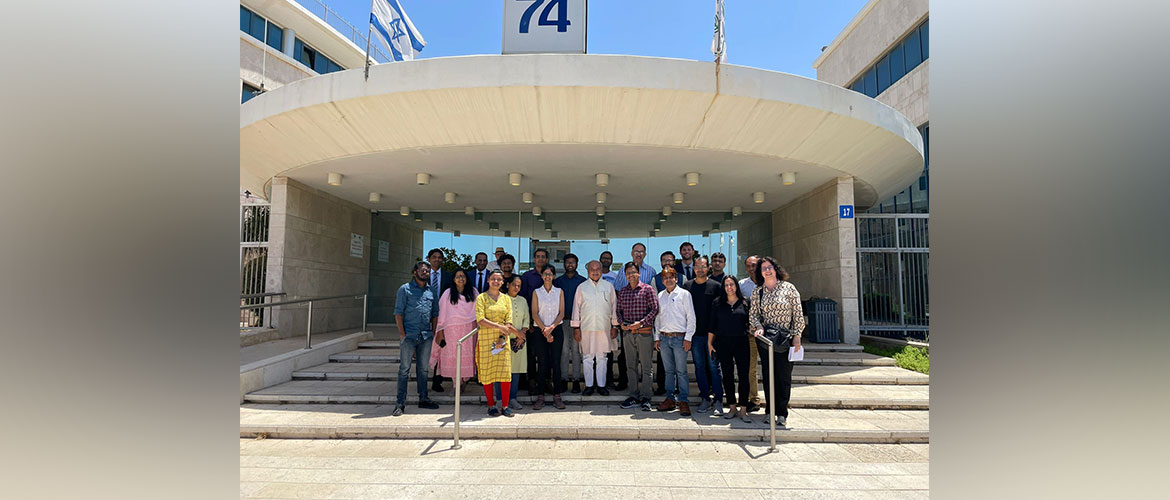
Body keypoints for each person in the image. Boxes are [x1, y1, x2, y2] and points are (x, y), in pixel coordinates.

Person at [748, 256, 805, 428]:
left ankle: (782, 413)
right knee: (768, 376)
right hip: (767, 340)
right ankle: (769, 411)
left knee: (783, 376)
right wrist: (758, 326)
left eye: (769, 267)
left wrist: (797, 336)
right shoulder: (758, 291)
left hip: (786, 339)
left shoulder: (789, 288)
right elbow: (753, 314)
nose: (767, 270)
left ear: (775, 269)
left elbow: (798, 313)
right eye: (763, 268)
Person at [391, 261, 441, 416]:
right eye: (422, 270)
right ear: (415, 272)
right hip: (409, 336)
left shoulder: (431, 291)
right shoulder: (405, 289)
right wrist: (403, 335)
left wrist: (433, 333)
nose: (425, 273)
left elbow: (434, 315)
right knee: (404, 370)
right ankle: (400, 403)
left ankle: (424, 398)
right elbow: (398, 313)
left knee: (424, 370)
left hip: (426, 336)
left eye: (427, 271)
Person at [475, 270, 521, 417]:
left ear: (502, 282)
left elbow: (509, 320)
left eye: (499, 279)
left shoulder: (506, 299)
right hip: (486, 339)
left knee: (505, 373)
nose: (496, 282)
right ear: (488, 280)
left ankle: (505, 405)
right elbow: (480, 319)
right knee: (488, 373)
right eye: (493, 279)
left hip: (503, 340)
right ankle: (491, 405)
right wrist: (499, 326)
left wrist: (502, 334)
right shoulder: (481, 298)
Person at [681, 257, 724, 415]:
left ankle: (718, 399)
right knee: (699, 368)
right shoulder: (687, 286)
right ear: (693, 269)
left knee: (714, 368)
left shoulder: (716, 286)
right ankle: (705, 398)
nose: (699, 269)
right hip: (695, 336)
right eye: (697, 266)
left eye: (703, 266)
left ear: (708, 268)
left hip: (712, 336)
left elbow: (720, 312)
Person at [570, 260, 619, 396]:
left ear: (602, 270)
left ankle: (602, 386)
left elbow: (614, 307)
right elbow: (576, 308)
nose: (595, 271)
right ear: (588, 271)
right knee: (587, 357)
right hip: (586, 328)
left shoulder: (608, 287)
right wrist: (576, 327)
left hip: (604, 328)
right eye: (593, 269)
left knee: (602, 357)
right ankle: (589, 385)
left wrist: (615, 326)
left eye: (598, 269)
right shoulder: (582, 287)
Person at [616, 262, 659, 412]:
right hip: (628, 334)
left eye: (633, 272)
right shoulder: (623, 292)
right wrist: (622, 323)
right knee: (630, 366)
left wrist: (640, 323)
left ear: (639, 273)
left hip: (644, 332)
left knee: (646, 367)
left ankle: (646, 397)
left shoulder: (647, 289)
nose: (631, 275)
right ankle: (633, 395)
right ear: (625, 275)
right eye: (628, 273)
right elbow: (618, 311)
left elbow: (654, 309)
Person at [710, 275, 753, 423]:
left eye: (732, 284)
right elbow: (713, 325)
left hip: (741, 343)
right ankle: (732, 407)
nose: (729, 287)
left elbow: (751, 323)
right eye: (726, 285)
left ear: (736, 286)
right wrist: (710, 343)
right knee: (727, 375)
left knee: (743, 376)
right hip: (723, 343)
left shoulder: (745, 302)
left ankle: (743, 409)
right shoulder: (717, 303)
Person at [654, 267, 695, 416]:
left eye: (671, 277)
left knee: (682, 372)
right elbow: (657, 318)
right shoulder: (660, 296)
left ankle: (683, 401)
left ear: (676, 278)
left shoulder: (684, 294)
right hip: (664, 338)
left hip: (679, 338)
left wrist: (688, 338)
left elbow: (691, 317)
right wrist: (657, 337)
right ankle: (670, 398)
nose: (668, 280)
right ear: (662, 280)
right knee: (669, 371)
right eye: (665, 278)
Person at [430, 268, 478, 394]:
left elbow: (479, 310)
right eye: (457, 276)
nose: (460, 278)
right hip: (451, 331)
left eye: (463, 276)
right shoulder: (447, 293)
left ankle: (464, 380)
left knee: (467, 357)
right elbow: (441, 313)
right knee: (454, 357)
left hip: (469, 329)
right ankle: (456, 383)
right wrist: (439, 331)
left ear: (467, 278)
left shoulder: (473, 292)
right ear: (453, 279)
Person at [530, 264, 566, 409]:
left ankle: (557, 396)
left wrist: (551, 328)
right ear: (541, 276)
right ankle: (540, 396)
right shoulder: (536, 292)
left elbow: (562, 312)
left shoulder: (559, 291)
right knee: (543, 362)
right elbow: (534, 313)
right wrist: (545, 330)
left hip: (556, 329)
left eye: (550, 274)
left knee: (556, 362)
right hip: (540, 330)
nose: (547, 276)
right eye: (545, 274)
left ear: (554, 276)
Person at [494, 274, 530, 411]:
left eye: (519, 286)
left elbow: (526, 319)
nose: (516, 287)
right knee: (500, 369)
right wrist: (517, 333)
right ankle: (499, 399)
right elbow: (501, 320)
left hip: (519, 341)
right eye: (514, 284)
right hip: (501, 338)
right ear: (507, 285)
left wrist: (522, 334)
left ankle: (512, 398)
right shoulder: (500, 299)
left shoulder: (523, 301)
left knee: (516, 370)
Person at [554, 253, 587, 394]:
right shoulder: (558, 281)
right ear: (564, 264)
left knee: (576, 351)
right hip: (562, 320)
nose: (570, 265)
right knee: (564, 351)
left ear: (577, 264)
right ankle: (563, 379)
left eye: (573, 262)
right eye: (568, 262)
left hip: (578, 322)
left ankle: (576, 380)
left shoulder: (583, 281)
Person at [519, 248, 550, 392]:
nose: (541, 259)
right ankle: (531, 381)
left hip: (548, 323)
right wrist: (528, 321)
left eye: (543, 257)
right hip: (532, 322)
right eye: (538, 257)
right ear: (534, 259)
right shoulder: (527, 276)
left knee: (547, 353)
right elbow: (523, 299)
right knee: (531, 353)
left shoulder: (550, 274)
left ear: (547, 260)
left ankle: (546, 381)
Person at [738, 255, 762, 412]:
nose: (751, 269)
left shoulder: (768, 283)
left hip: (769, 334)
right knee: (751, 368)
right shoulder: (742, 285)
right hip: (751, 333)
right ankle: (754, 399)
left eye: (754, 265)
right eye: (749, 266)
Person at [652, 251, 675, 395]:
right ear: (660, 262)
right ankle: (662, 386)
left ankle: (676, 388)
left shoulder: (681, 278)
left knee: (678, 363)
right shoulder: (655, 280)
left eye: (670, 260)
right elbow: (655, 305)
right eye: (664, 260)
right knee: (662, 360)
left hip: (678, 327)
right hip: (663, 325)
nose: (667, 262)